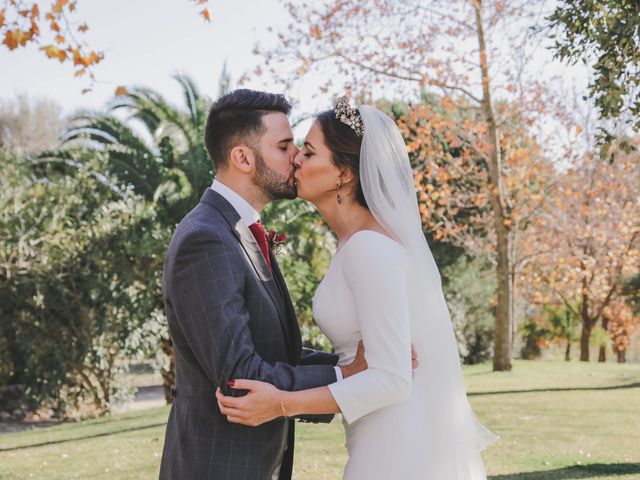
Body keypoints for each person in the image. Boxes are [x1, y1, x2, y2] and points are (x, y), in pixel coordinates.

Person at [216, 97, 499, 479]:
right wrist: (344, 369)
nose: (297, 158)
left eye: (310, 152)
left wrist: (282, 404)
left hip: (397, 449)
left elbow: (393, 379)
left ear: (343, 174)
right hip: (378, 436)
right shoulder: (356, 243)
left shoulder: (369, 248)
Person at [158, 89, 371, 480]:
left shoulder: (237, 230)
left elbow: (276, 352)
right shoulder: (205, 239)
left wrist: (359, 365)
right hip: (218, 468)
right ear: (243, 157)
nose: (296, 157)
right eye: (284, 145)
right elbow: (241, 375)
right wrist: (345, 377)